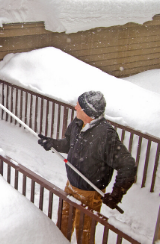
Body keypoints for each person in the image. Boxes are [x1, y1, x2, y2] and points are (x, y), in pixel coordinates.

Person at [37, 91, 137, 244]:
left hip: (90, 195)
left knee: (84, 235)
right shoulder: (77, 123)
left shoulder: (105, 135)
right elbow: (69, 144)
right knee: (63, 226)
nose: (75, 107)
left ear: (88, 111)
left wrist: (116, 194)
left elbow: (128, 165)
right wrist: (53, 143)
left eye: (79, 105)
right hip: (71, 186)